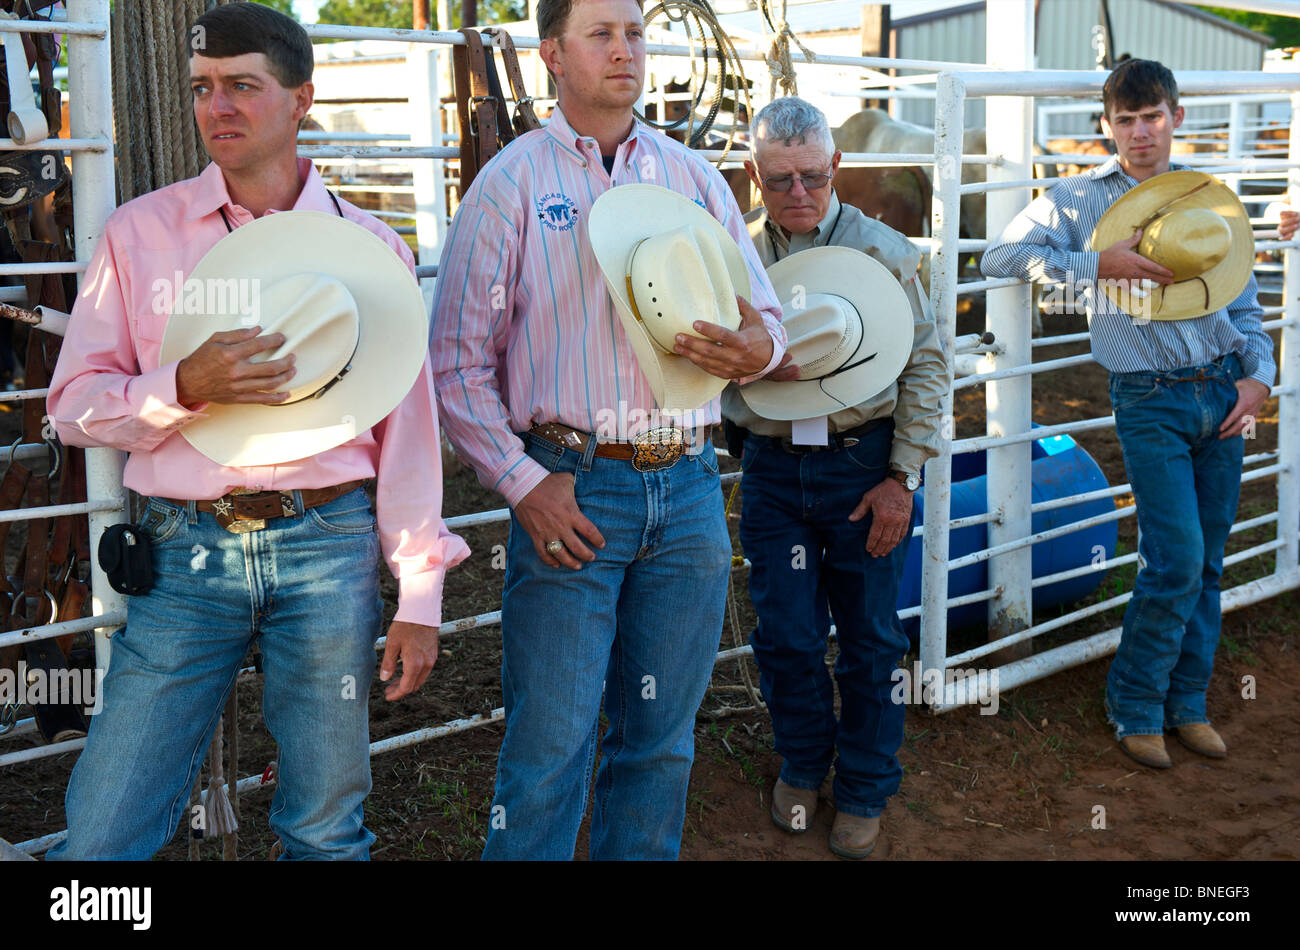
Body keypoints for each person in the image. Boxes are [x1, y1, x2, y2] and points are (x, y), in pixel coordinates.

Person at [45, 2, 467, 860]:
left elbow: (409, 441)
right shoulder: (141, 234)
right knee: (100, 833)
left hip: (329, 540)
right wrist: (181, 387)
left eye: (244, 85)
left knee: (324, 826)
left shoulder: (371, 246)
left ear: (301, 97)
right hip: (185, 550)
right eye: (203, 88)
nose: (219, 108)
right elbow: (72, 405)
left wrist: (419, 595)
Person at [429, 0, 786, 860]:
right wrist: (523, 484)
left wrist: (755, 346)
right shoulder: (511, 184)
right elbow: (455, 361)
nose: (625, 49)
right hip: (573, 483)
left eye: (633, 31)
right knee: (550, 746)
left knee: (661, 740)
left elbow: (767, 318)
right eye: (601, 33)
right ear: (552, 53)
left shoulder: (692, 177)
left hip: (691, 481)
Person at [981, 59, 1275, 769]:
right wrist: (1094, 266)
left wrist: (1260, 380)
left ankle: (1188, 704)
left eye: (1152, 117)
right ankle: (1136, 702)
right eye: (1126, 121)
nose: (1140, 133)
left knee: (1206, 560)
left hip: (1223, 388)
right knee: (1176, 557)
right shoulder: (1081, 199)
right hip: (1148, 397)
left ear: (1175, 115)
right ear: (1106, 126)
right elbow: (1000, 253)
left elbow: (1246, 309)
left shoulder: (1210, 202)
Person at [722, 96, 946, 858]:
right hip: (774, 467)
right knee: (785, 634)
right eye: (779, 179)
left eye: (812, 176)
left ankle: (864, 785)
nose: (797, 195)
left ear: (836, 168)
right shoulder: (733, 257)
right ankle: (804, 760)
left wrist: (901, 476)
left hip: (863, 464)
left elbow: (926, 365)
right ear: (753, 176)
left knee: (872, 640)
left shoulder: (889, 251)